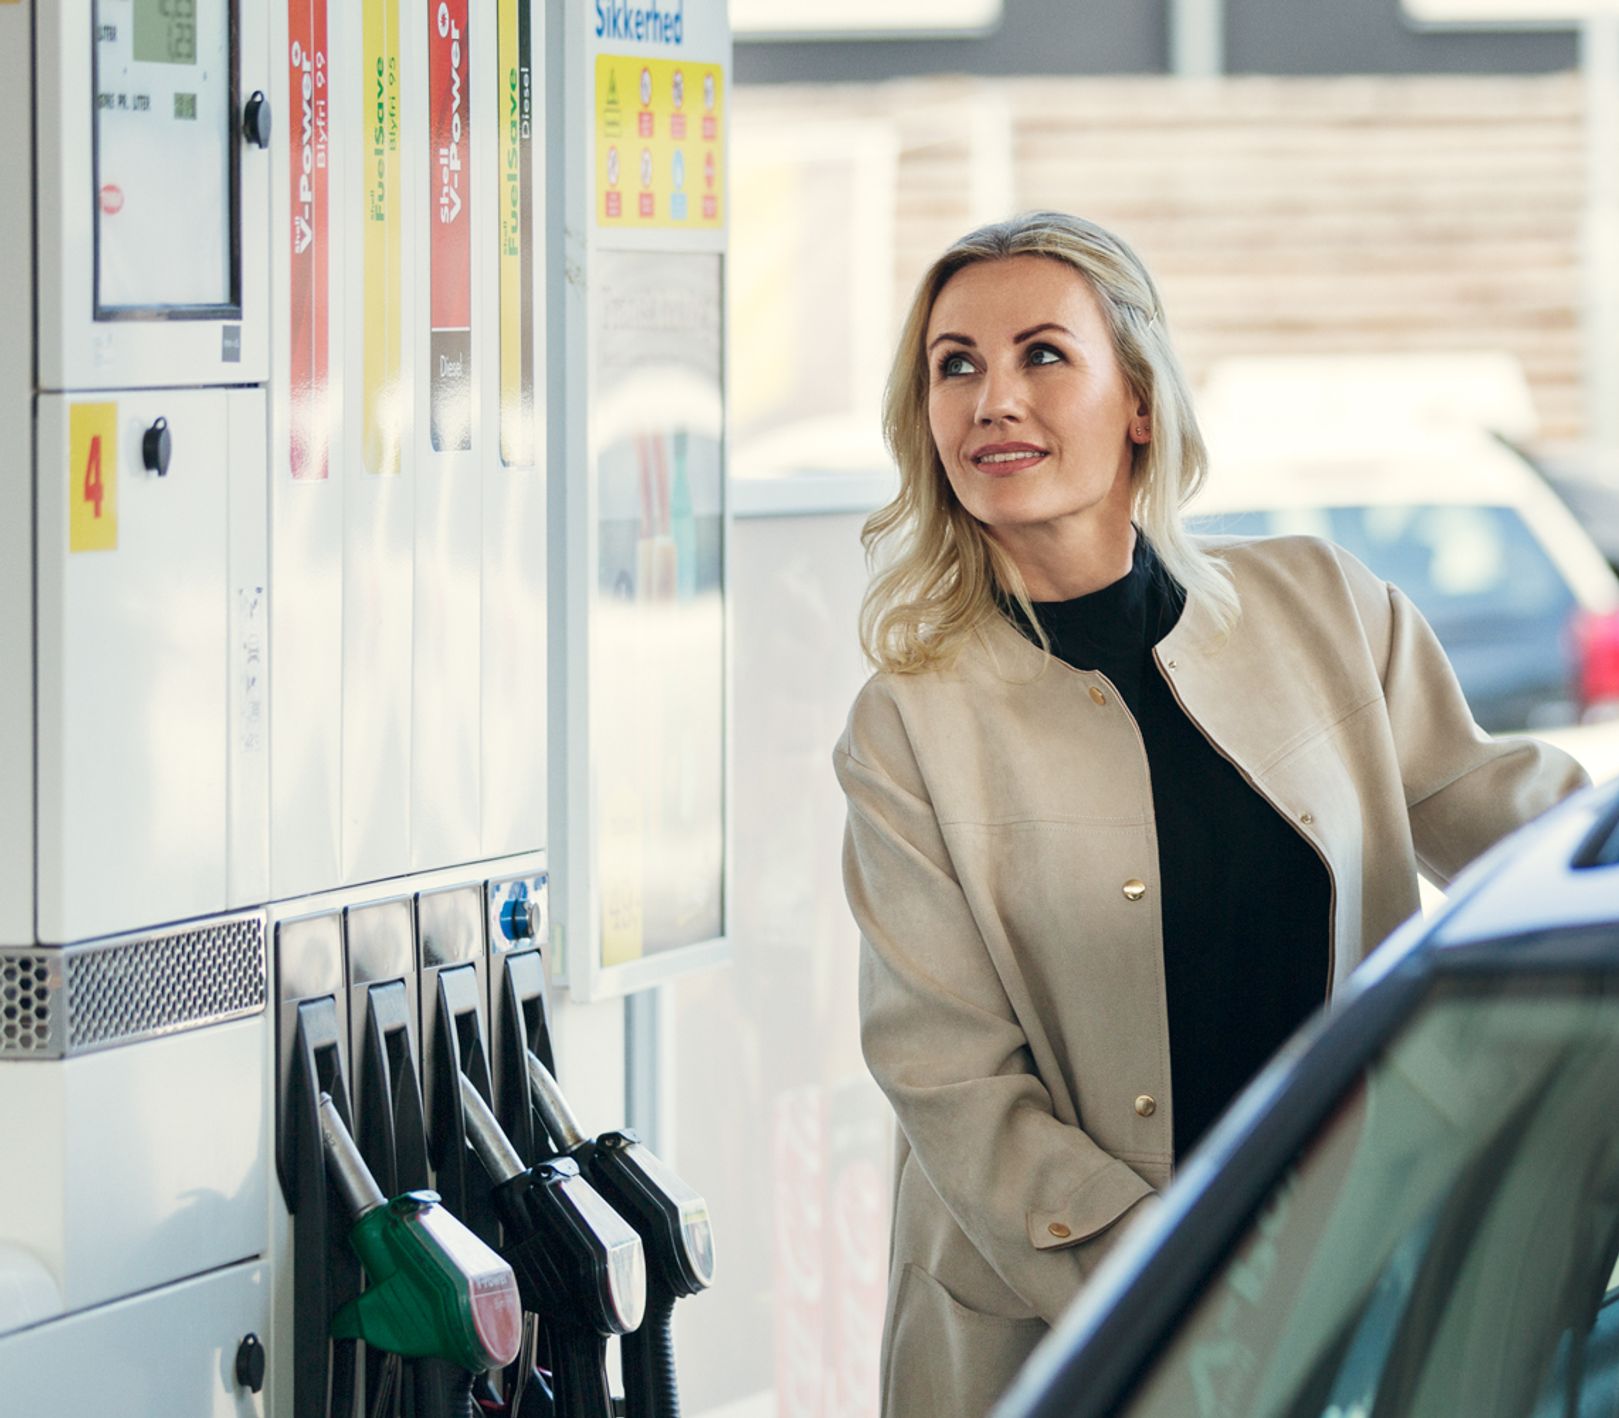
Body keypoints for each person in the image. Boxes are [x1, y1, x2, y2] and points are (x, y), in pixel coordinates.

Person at [833, 211, 1588, 1418]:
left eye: (1040, 353)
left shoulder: (1322, 607)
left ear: (1137, 399)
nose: (991, 399)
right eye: (954, 364)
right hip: (1066, 1333)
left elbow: (1521, 825)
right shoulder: (907, 721)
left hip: (1351, 1300)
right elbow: (949, 1077)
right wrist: (1194, 1286)